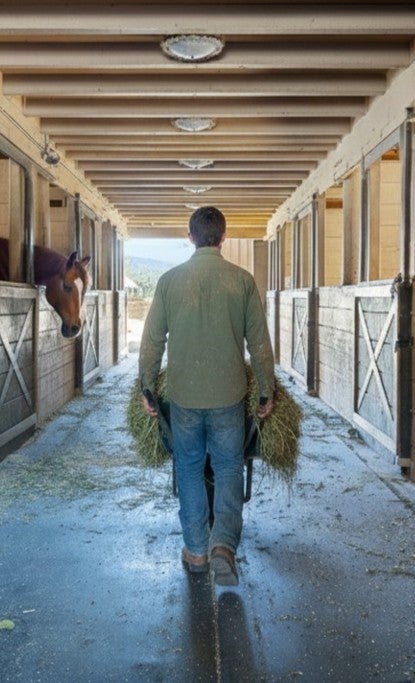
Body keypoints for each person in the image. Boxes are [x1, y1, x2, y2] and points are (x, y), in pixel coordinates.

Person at [139, 206, 275, 586]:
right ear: (223, 237)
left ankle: (197, 550)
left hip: (184, 395)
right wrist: (266, 390)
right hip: (229, 394)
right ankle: (223, 547)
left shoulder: (169, 281)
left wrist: (147, 386)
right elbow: (259, 344)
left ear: (190, 238)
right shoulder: (242, 281)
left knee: (189, 467)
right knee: (229, 467)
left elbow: (152, 341)